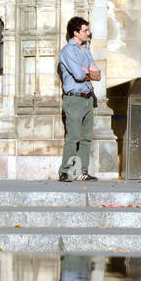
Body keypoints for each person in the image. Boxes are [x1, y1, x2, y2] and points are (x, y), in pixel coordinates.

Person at [57, 16, 101, 182]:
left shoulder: (86, 51)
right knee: (73, 136)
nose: (88, 34)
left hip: (88, 97)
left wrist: (88, 72)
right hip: (74, 98)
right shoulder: (68, 51)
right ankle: (65, 170)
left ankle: (81, 171)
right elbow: (78, 75)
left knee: (86, 137)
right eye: (85, 31)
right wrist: (87, 72)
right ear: (75, 33)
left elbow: (98, 74)